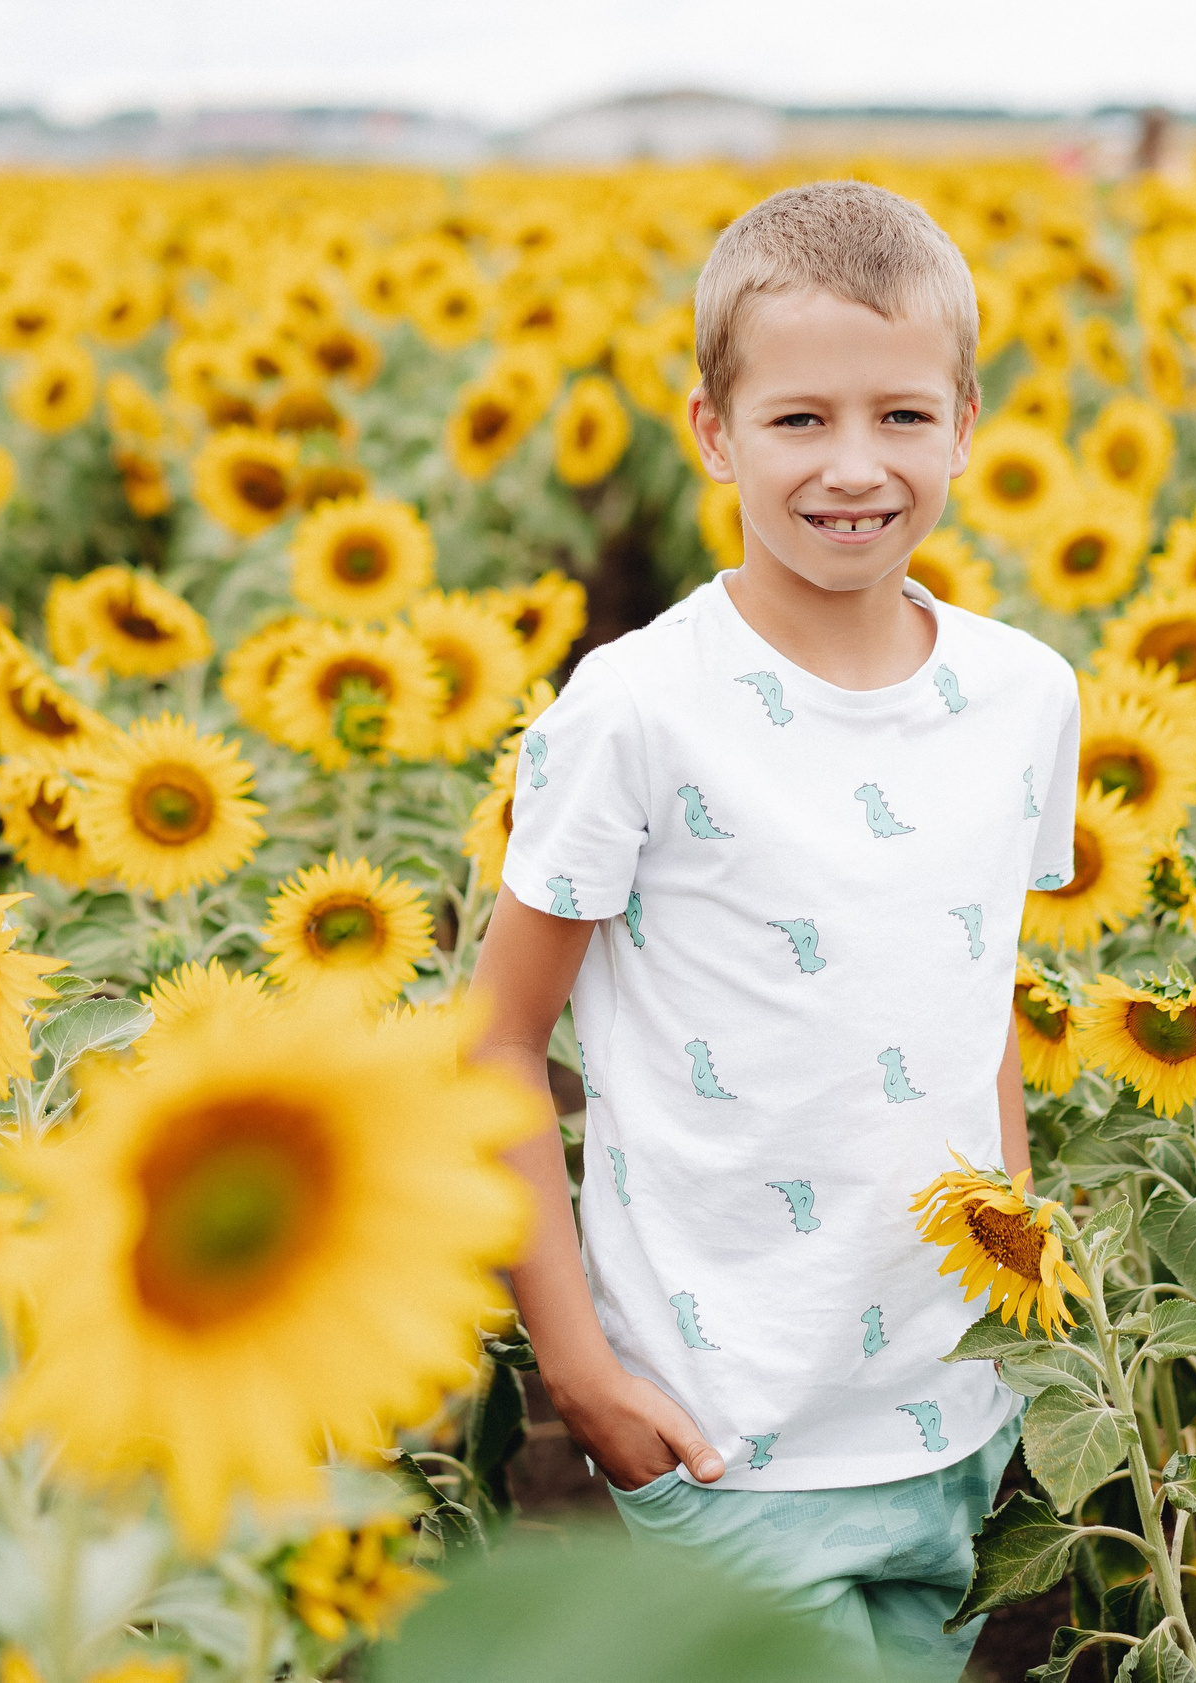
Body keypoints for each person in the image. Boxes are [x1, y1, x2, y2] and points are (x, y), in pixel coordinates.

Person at [469, 180, 1079, 1683]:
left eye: (902, 418)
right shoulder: (635, 709)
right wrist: (581, 1377)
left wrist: (1024, 1292)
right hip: (722, 1428)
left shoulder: (1022, 696)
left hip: (955, 1404)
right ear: (713, 432)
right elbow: (492, 1045)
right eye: (801, 420)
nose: (856, 469)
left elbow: (972, 996)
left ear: (966, 421)